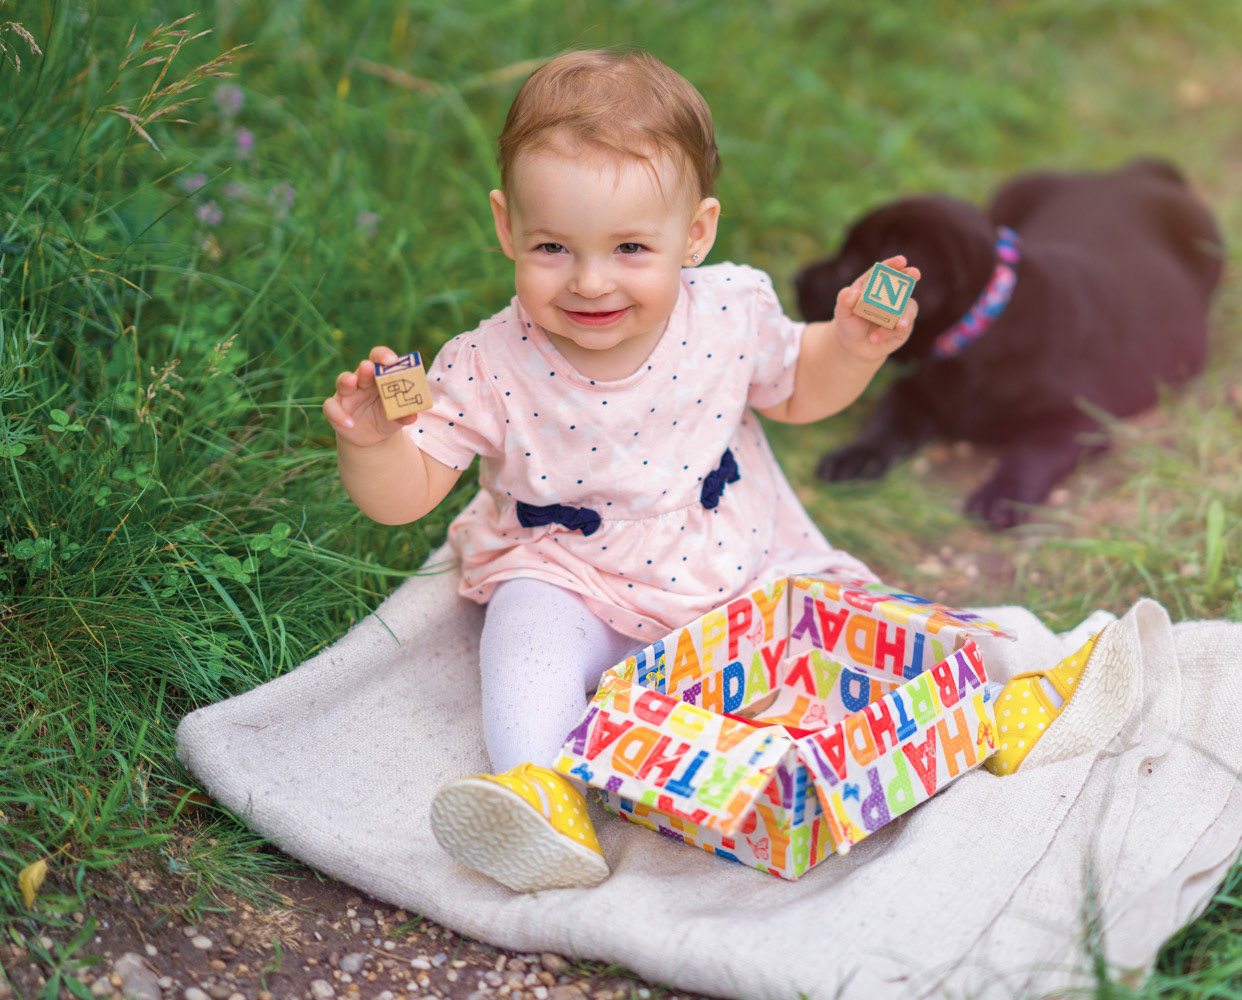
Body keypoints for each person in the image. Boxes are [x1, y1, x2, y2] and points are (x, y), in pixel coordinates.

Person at [321, 48, 920, 892]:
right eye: (553, 247)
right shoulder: (484, 366)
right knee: (524, 636)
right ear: (506, 226)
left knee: (848, 621)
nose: (591, 281)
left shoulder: (731, 309)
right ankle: (541, 795)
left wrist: (850, 346)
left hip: (735, 556)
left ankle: (972, 704)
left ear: (696, 233)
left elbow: (797, 387)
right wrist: (373, 444)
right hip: (576, 576)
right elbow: (406, 496)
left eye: (632, 247)